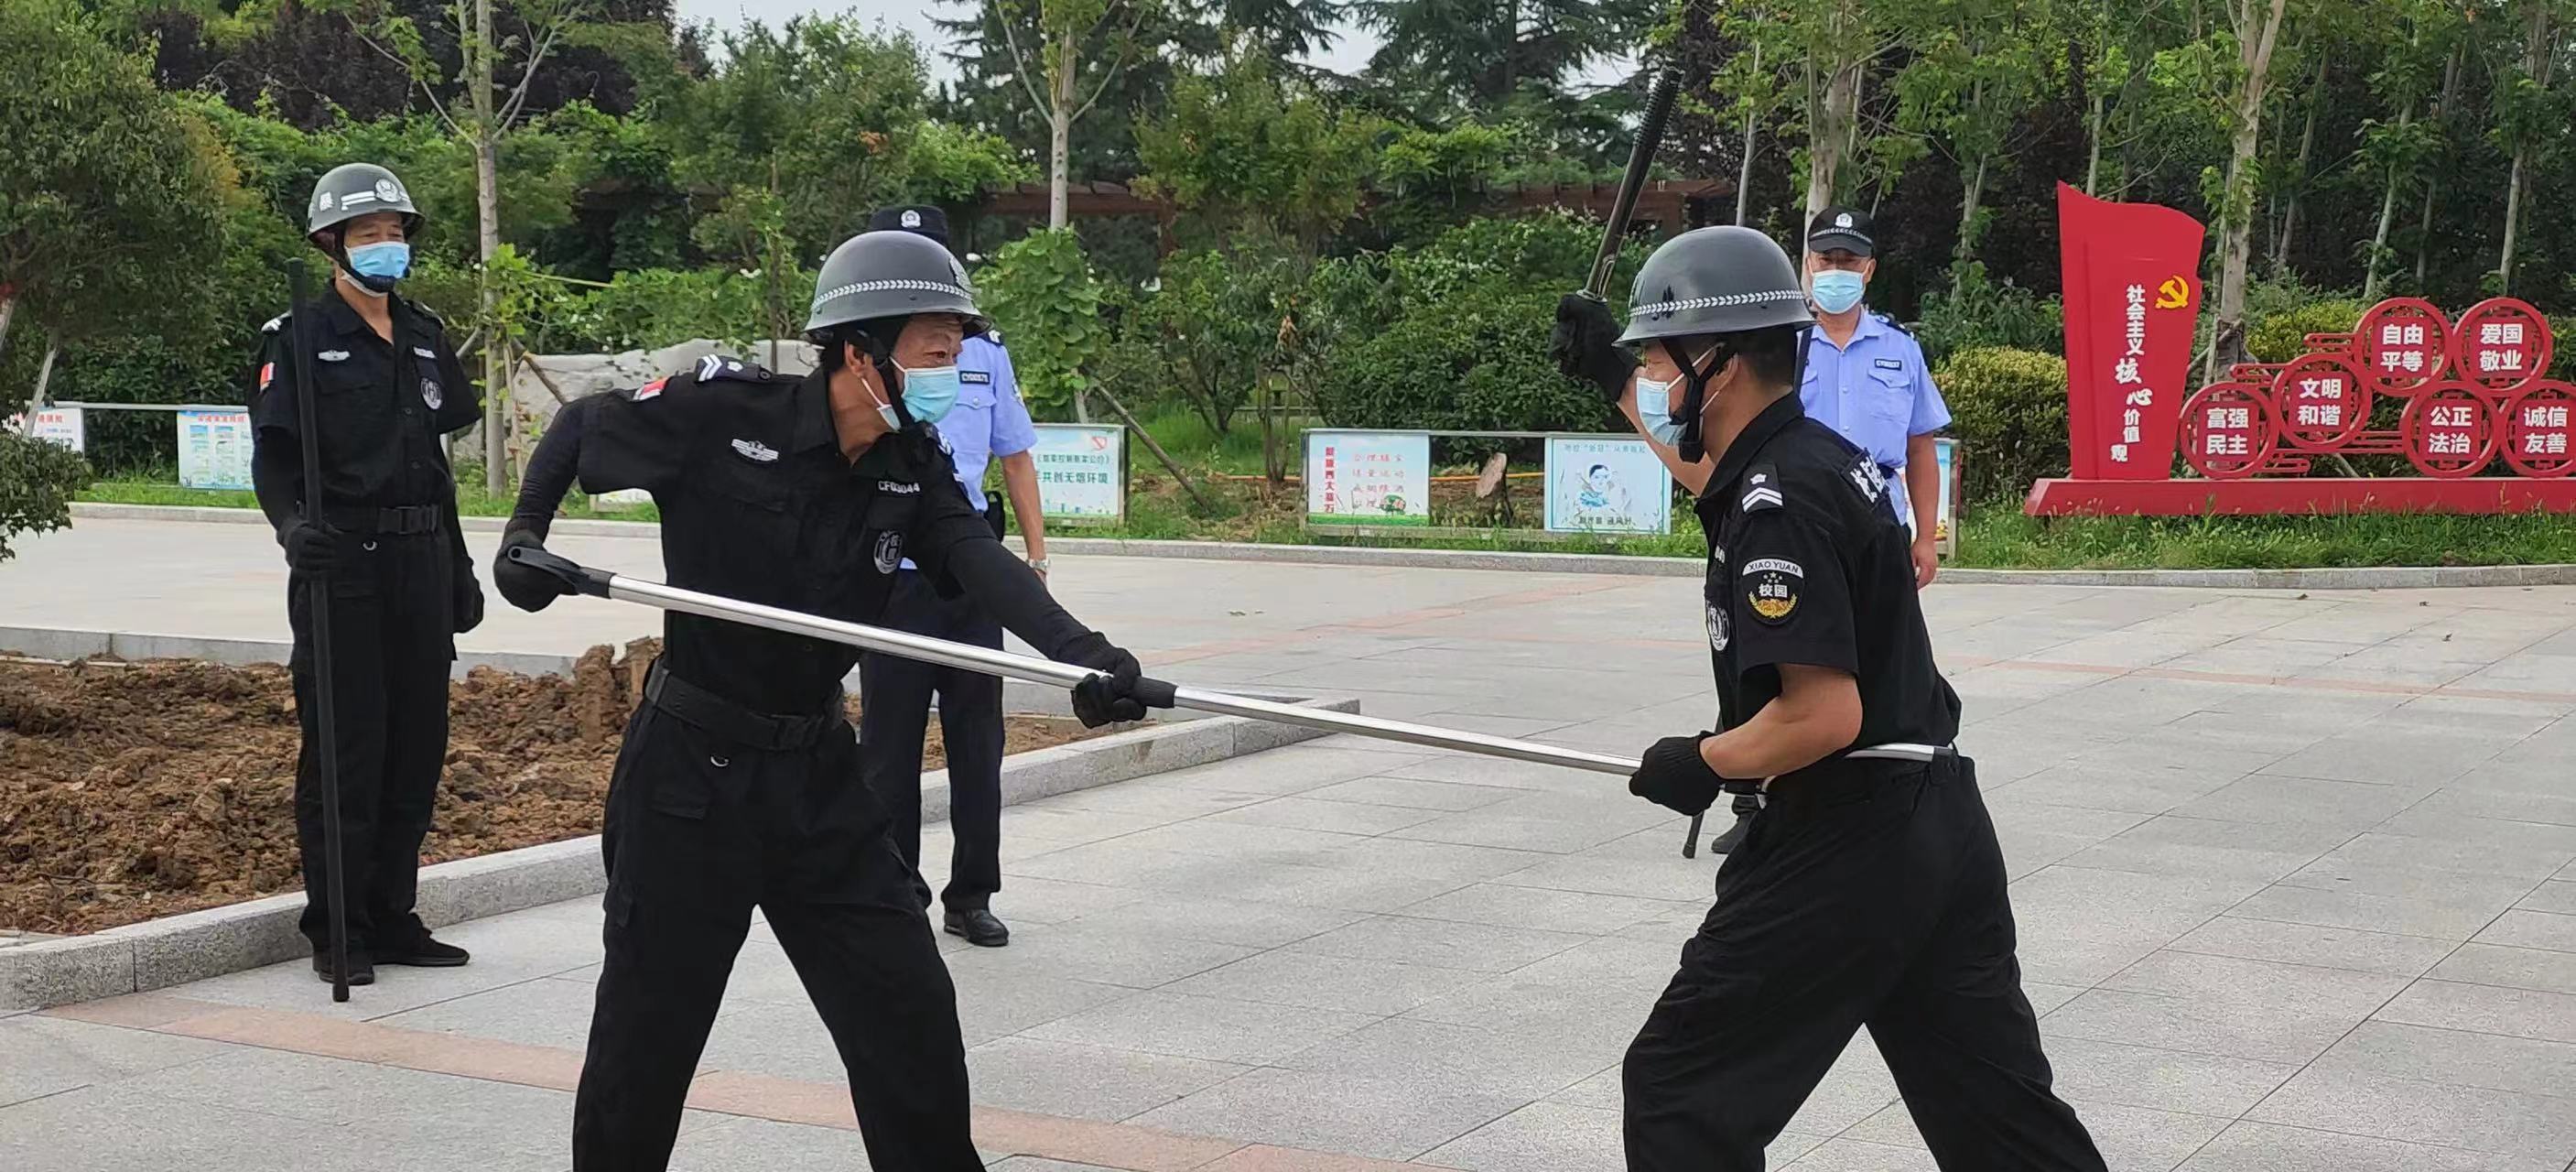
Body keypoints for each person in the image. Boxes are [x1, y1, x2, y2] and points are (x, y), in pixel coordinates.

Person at [492, 228, 1158, 1171]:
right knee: (645, 1045)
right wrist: (524, 536)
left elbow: (979, 562)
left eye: (959, 345)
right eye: (935, 348)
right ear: (861, 351)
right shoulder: (722, 415)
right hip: (690, 779)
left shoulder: (910, 463)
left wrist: (1089, 658)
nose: (954, 365)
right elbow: (580, 427)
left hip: (817, 778)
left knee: (911, 1016)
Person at [1552, 227, 2105, 1172]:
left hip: (1852, 830)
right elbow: (1710, 479)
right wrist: (1615, 389)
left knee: (1682, 1089)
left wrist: (1703, 758)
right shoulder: (1804, 460)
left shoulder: (1781, 498)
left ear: (1715, 364)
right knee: (1998, 1119)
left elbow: (1822, 714)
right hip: (1936, 817)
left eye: (1656, 359)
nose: (1652, 375)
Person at [249, 162, 484, 987]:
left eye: (394, 232)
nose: (385, 246)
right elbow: (274, 460)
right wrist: (292, 528)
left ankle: (394, 914)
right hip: (342, 565)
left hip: (419, 559)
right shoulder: (300, 337)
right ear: (330, 245)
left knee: (417, 748)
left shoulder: (423, 332)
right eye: (366, 234)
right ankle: (339, 927)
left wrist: (457, 568)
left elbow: (439, 462)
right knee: (349, 752)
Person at [859, 204, 1047, 948]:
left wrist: (1034, 559)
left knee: (978, 744)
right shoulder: (865, 355)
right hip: (889, 577)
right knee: (888, 748)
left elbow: (1016, 453)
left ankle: (971, 894)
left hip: (968, 573)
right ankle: (895, 887)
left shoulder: (984, 353)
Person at [1799, 206, 1951, 589]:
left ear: (1868, 271)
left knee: (1884, 645)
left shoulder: (1901, 348)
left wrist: (1926, 538)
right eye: (1826, 260)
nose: (1836, 270)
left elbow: (1920, 448)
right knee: (1809, 644)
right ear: (1808, 265)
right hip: (1802, 521)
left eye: (1848, 262)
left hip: (1882, 518)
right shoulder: (1784, 346)